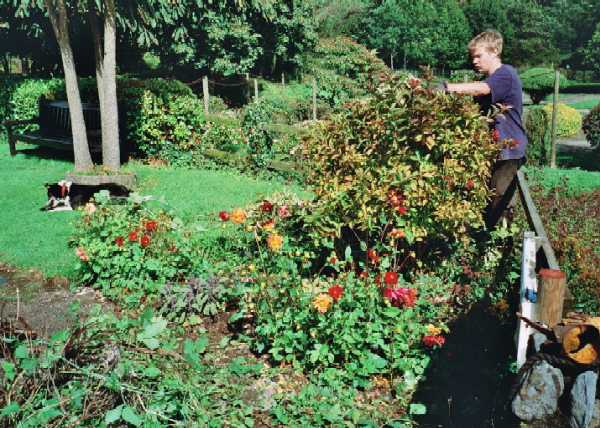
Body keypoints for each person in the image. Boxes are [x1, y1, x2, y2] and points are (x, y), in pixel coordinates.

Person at [444, 30, 528, 229]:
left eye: (478, 55)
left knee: (500, 201)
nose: (474, 61)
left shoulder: (505, 74)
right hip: (491, 150)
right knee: (484, 199)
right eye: (472, 56)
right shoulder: (489, 80)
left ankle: (500, 248)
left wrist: (449, 89)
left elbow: (482, 88)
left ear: (495, 51)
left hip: (508, 150)